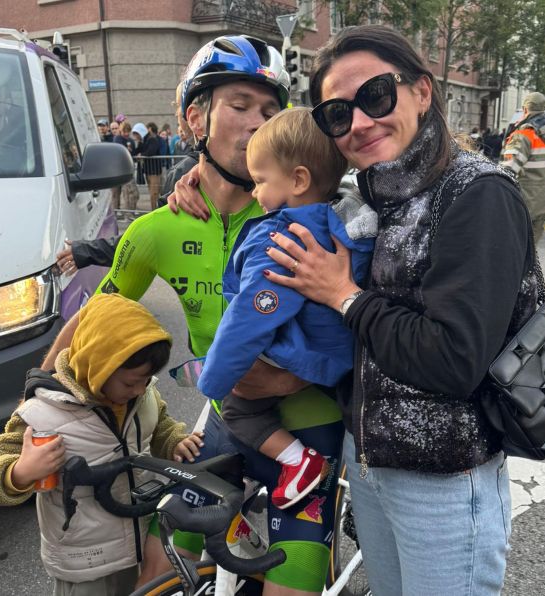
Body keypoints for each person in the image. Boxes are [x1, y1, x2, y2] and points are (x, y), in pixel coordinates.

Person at [45, 35, 343, 596]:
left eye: (270, 111)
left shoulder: (301, 212)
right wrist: (34, 399)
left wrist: (292, 377)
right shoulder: (158, 229)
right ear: (194, 118)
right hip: (229, 421)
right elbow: (97, 313)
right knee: (157, 570)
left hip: (310, 429)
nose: (257, 122)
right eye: (240, 105)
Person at [260, 24, 534, 595]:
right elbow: (275, 176)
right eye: (338, 114)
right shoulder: (370, 196)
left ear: (421, 92)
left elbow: (455, 360)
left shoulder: (477, 193)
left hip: (443, 480)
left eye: (376, 96)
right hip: (369, 464)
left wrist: (344, 296)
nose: (359, 122)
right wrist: (196, 179)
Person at [197, 107, 375, 510]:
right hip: (340, 350)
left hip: (301, 352)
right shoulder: (345, 220)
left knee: (236, 410)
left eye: (260, 181)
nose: (254, 193)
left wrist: (214, 379)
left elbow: (250, 316)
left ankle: (298, 463)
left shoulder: (281, 238)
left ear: (298, 180)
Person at [0, 293, 203, 596]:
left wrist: (174, 441)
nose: (139, 390)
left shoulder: (142, 396)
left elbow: (159, 424)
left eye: (146, 380)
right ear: (98, 368)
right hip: (86, 564)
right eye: (130, 382)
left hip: (141, 542)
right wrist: (21, 472)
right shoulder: (42, 414)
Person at [501, 91, 545, 242]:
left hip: (524, 196)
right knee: (532, 245)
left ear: (525, 109)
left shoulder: (525, 133)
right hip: (544, 197)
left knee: (514, 245)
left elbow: (508, 169)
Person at [112, 120, 140, 212]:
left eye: (128, 132)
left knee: (130, 192)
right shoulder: (117, 139)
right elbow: (119, 152)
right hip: (117, 169)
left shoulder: (131, 140)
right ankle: (116, 211)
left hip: (128, 169)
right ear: (121, 131)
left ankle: (129, 212)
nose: (127, 134)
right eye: (125, 132)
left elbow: (134, 152)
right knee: (116, 193)